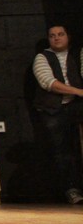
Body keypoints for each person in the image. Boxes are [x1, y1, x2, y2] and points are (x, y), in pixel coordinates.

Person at [31, 25, 83, 204]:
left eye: (60, 34)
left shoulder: (78, 54)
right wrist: (78, 91)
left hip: (77, 106)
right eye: (52, 35)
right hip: (53, 109)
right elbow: (48, 82)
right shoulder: (42, 57)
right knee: (61, 150)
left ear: (68, 36)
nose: (56, 38)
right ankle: (71, 189)